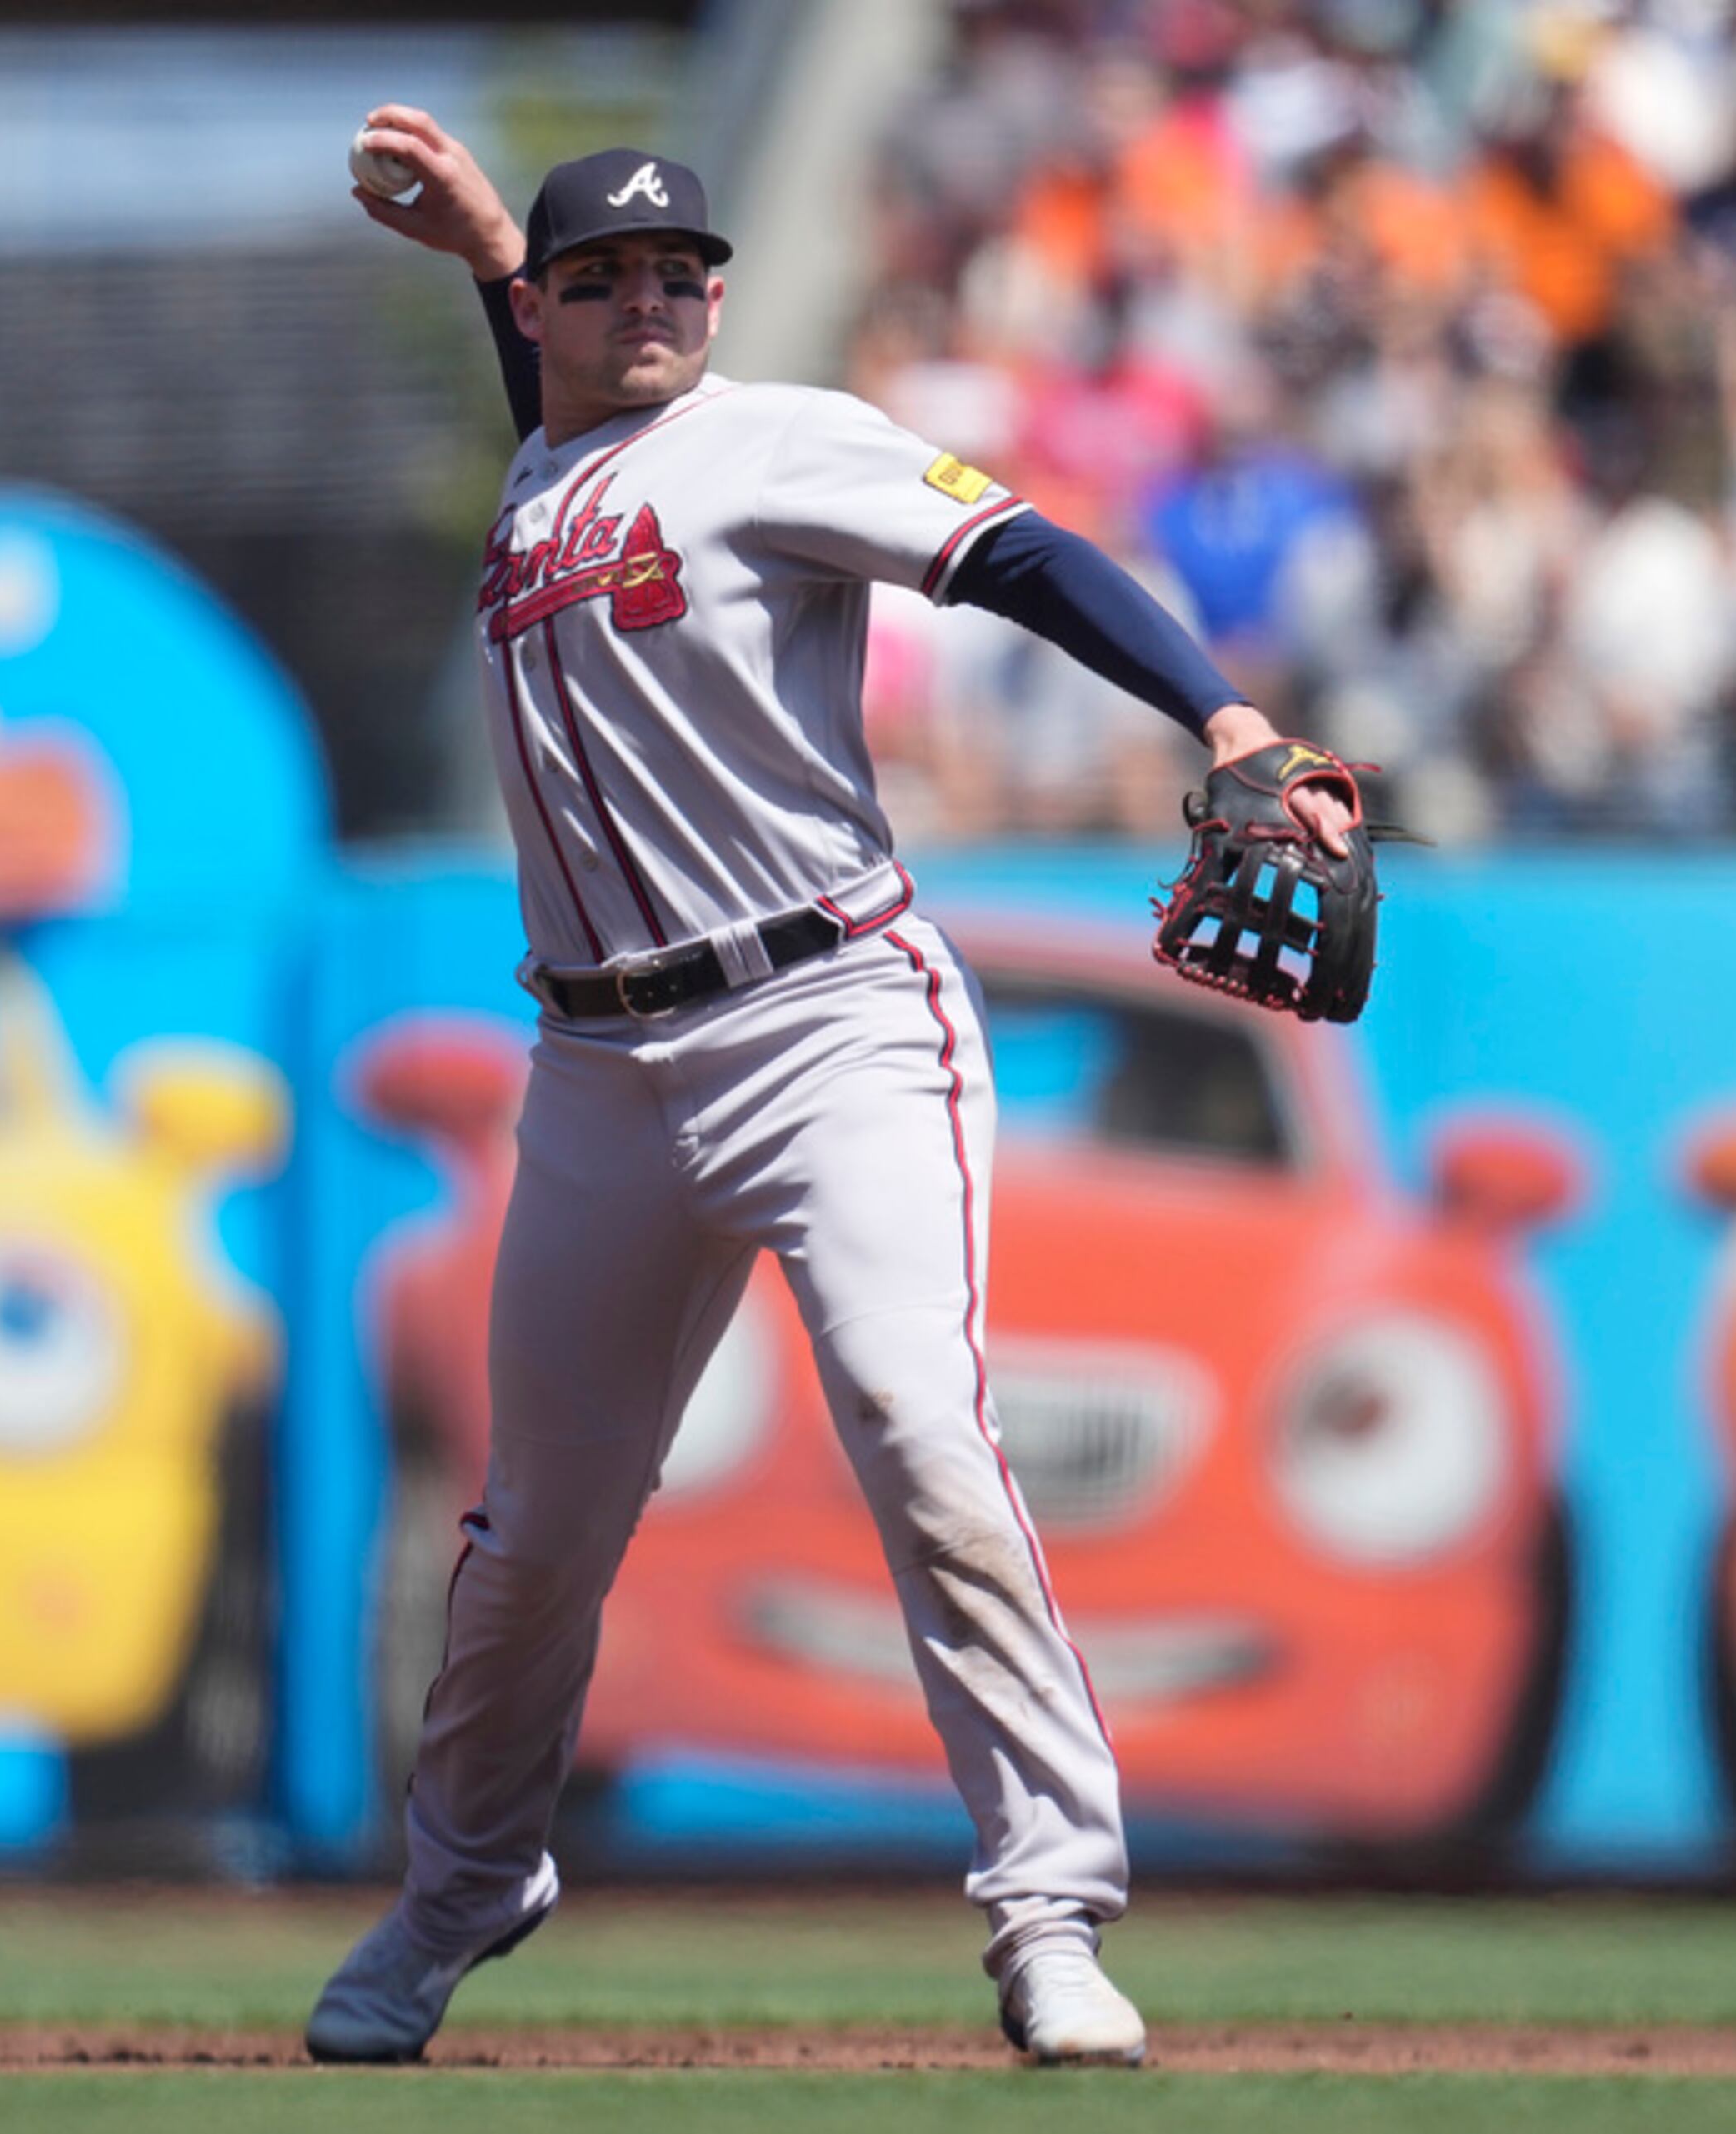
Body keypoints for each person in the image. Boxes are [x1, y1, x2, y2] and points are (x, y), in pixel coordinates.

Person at [314, 108, 1356, 2069]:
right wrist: (481, 256)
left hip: (829, 1021)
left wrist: (1220, 709)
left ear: (716, 293)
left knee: (920, 1432)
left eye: (679, 272)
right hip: (600, 1064)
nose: (653, 300)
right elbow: (576, 449)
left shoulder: (777, 435)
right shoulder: (547, 473)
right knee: (534, 1527)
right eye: (605, 277)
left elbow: (1019, 552)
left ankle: (1051, 1912)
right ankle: (460, 1891)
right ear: (540, 309)